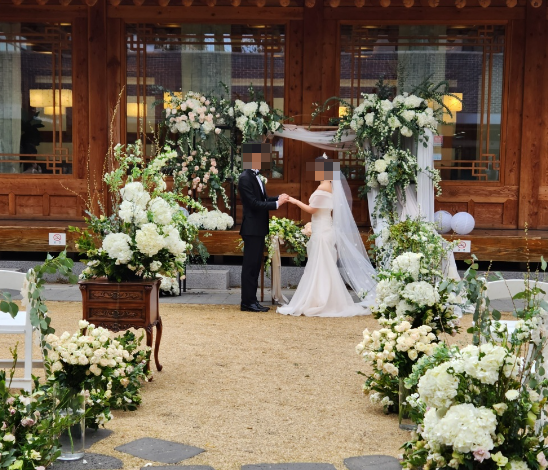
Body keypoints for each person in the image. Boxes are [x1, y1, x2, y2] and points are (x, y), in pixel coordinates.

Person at [276, 154, 376, 317]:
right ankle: (322, 298)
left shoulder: (324, 188)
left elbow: (312, 210)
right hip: (322, 229)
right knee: (321, 266)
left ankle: (321, 300)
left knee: (321, 266)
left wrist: (294, 201)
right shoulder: (328, 186)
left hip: (322, 232)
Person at [239, 142, 289, 312]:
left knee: (255, 266)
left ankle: (252, 300)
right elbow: (253, 204)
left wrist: (278, 198)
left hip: (258, 229)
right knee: (250, 267)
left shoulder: (256, 177)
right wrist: (277, 204)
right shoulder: (245, 177)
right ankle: (247, 302)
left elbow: (263, 199)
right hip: (251, 229)